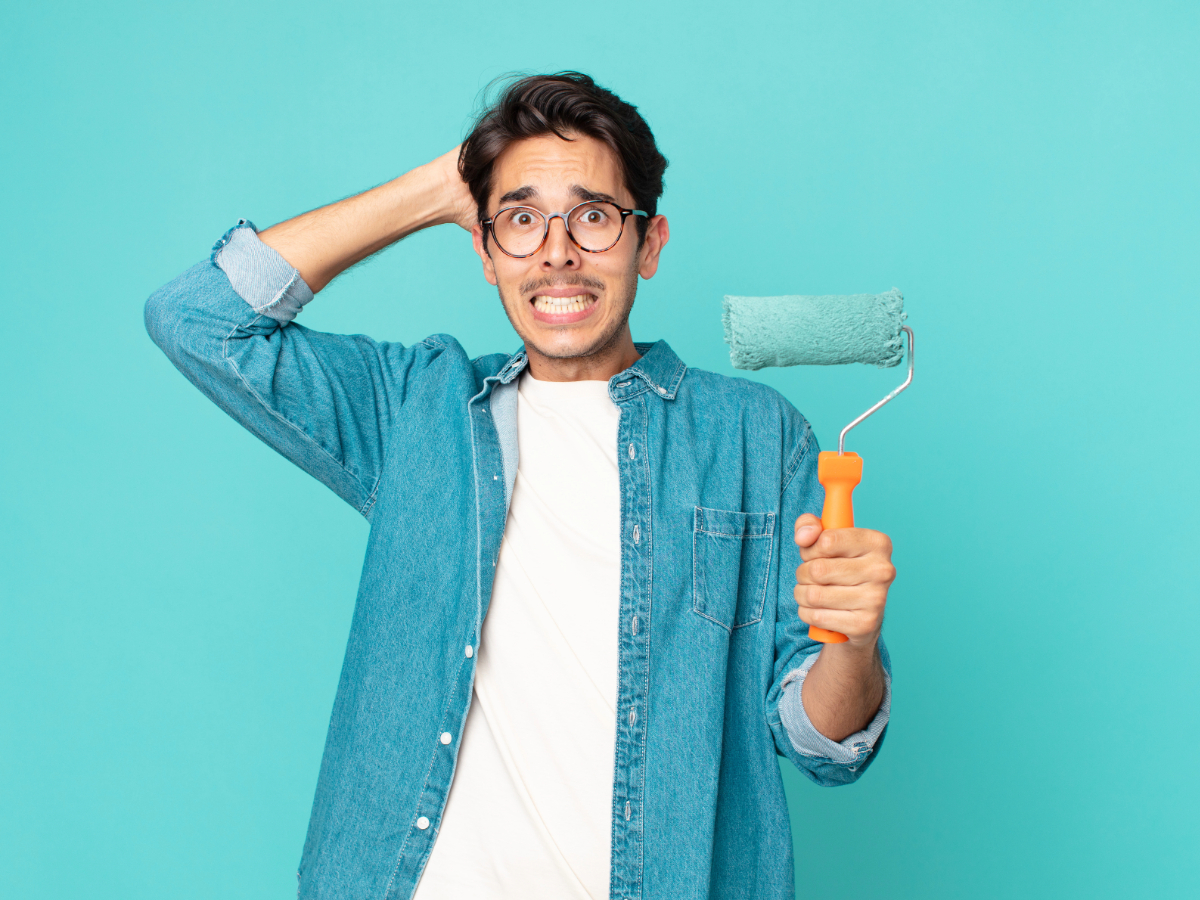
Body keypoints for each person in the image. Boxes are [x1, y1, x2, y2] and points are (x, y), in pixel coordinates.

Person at [145, 72, 896, 900]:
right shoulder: (416, 413)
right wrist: (437, 187)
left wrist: (851, 644)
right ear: (483, 247)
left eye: (595, 217)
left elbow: (823, 743)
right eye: (522, 219)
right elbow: (197, 320)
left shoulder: (754, 436)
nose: (558, 251)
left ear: (649, 243)